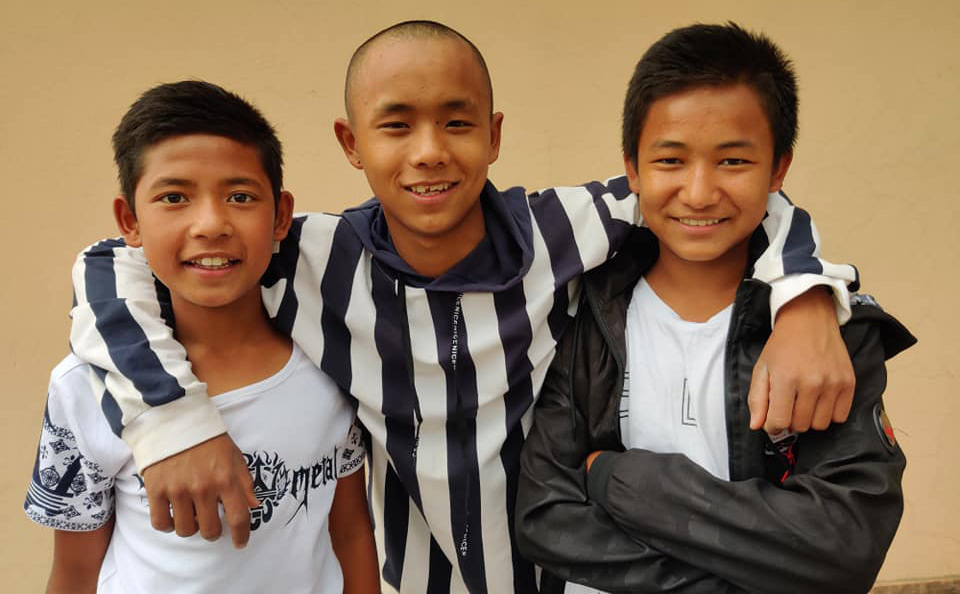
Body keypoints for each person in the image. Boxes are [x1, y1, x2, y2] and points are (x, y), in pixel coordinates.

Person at [67, 21, 860, 593]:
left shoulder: (565, 230)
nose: (429, 151)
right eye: (395, 125)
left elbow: (722, 199)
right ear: (350, 142)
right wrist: (172, 421)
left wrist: (807, 300)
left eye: (457, 121)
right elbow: (114, 265)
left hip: (573, 572)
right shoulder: (307, 257)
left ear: (494, 133)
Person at [515, 23, 914, 594]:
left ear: (778, 168)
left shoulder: (833, 334)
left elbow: (844, 544)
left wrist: (619, 480)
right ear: (633, 168)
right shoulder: (587, 314)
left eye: (733, 161)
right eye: (671, 161)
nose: (700, 192)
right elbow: (546, 519)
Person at [25, 81, 379, 593]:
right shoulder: (86, 386)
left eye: (240, 196)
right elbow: (76, 573)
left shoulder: (328, 355)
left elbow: (349, 533)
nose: (211, 224)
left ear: (281, 215)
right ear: (130, 221)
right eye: (174, 197)